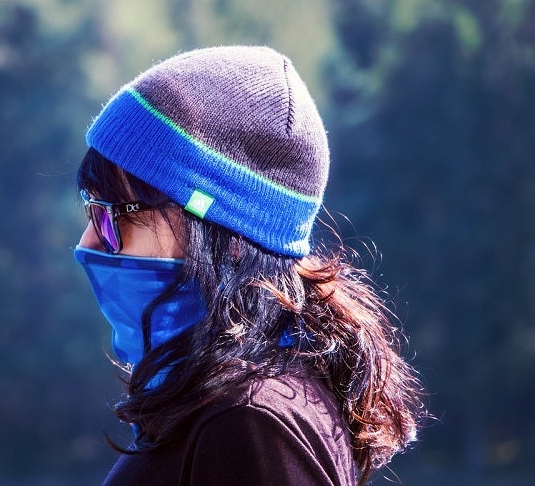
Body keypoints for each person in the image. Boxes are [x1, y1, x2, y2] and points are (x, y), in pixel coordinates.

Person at [73, 46, 424, 485]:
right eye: (90, 209)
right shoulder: (229, 402)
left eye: (112, 214)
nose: (88, 241)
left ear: (228, 234)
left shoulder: (248, 422)